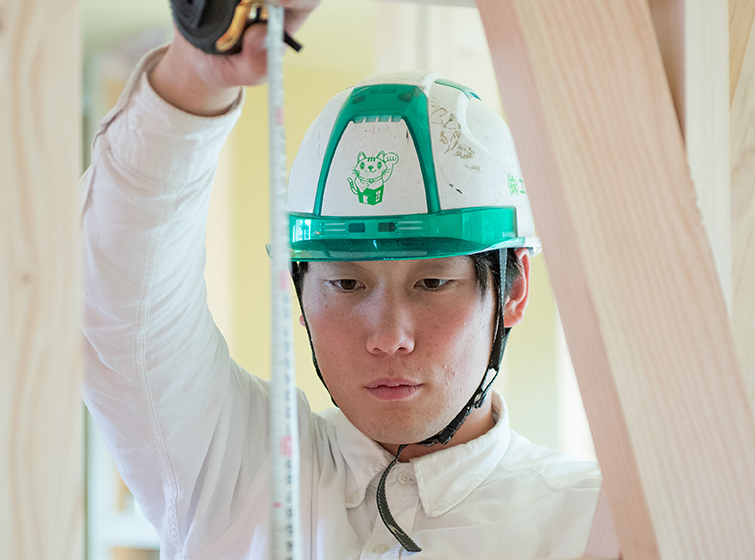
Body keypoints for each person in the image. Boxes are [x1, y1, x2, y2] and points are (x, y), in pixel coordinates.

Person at [81, 2, 601, 558]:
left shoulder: (590, 522)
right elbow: (123, 302)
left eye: (432, 283)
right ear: (298, 290)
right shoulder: (233, 471)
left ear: (513, 289)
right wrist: (197, 72)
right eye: (347, 285)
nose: (388, 337)